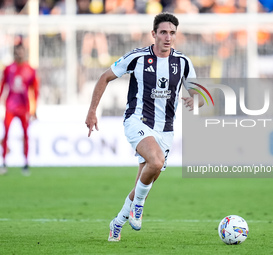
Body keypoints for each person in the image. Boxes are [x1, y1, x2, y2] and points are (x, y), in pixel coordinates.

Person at [85, 12, 204, 242]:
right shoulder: (137, 57)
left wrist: (194, 100)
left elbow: (199, 95)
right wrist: (92, 111)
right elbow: (104, 78)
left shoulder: (183, 62)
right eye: (163, 32)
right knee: (156, 161)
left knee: (145, 181)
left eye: (172, 33)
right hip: (137, 121)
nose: (168, 37)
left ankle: (117, 222)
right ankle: (137, 207)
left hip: (165, 130)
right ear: (154, 34)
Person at [0, 43, 40, 176]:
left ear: (24, 53)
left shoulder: (30, 70)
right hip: (10, 106)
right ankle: (3, 163)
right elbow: (2, 87)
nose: (19, 54)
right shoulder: (8, 68)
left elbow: (35, 91)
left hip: (24, 108)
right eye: (17, 52)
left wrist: (34, 109)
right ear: (15, 53)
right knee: (6, 134)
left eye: (21, 52)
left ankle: (26, 164)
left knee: (26, 135)